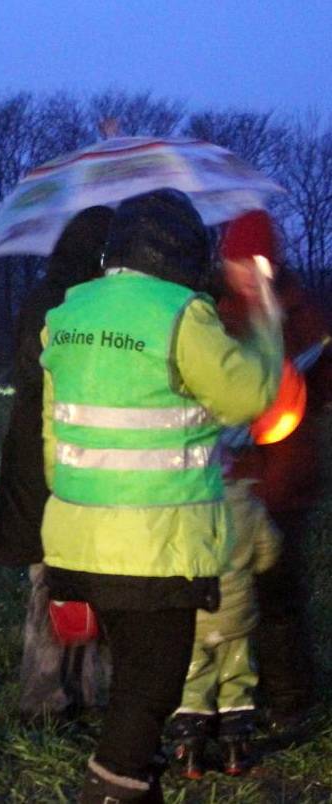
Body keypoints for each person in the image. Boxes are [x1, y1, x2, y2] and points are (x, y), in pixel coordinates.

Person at [39, 189, 282, 803]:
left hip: (75, 539)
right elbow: (250, 397)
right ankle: (112, 789)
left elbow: (53, 436)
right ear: (180, 251)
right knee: (151, 692)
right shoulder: (180, 314)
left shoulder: (67, 314)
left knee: (132, 683)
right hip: (159, 547)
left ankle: (137, 787)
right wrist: (267, 320)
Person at [0, 207, 115, 720]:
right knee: (55, 580)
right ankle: (45, 695)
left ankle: (80, 689)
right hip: (51, 454)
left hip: (44, 451)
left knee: (80, 576)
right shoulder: (65, 303)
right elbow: (40, 372)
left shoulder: (58, 295)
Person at [215, 210, 331, 736]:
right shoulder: (215, 316)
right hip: (232, 478)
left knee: (279, 595)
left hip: (285, 482)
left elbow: (320, 388)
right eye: (235, 261)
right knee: (229, 593)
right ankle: (232, 695)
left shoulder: (303, 317)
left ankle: (290, 703)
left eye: (253, 261)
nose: (244, 271)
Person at [169, 483, 279, 778]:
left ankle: (190, 751)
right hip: (236, 615)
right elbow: (269, 551)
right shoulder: (250, 504)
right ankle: (235, 751)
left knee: (193, 679)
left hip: (196, 613)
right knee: (237, 677)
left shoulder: (184, 503)